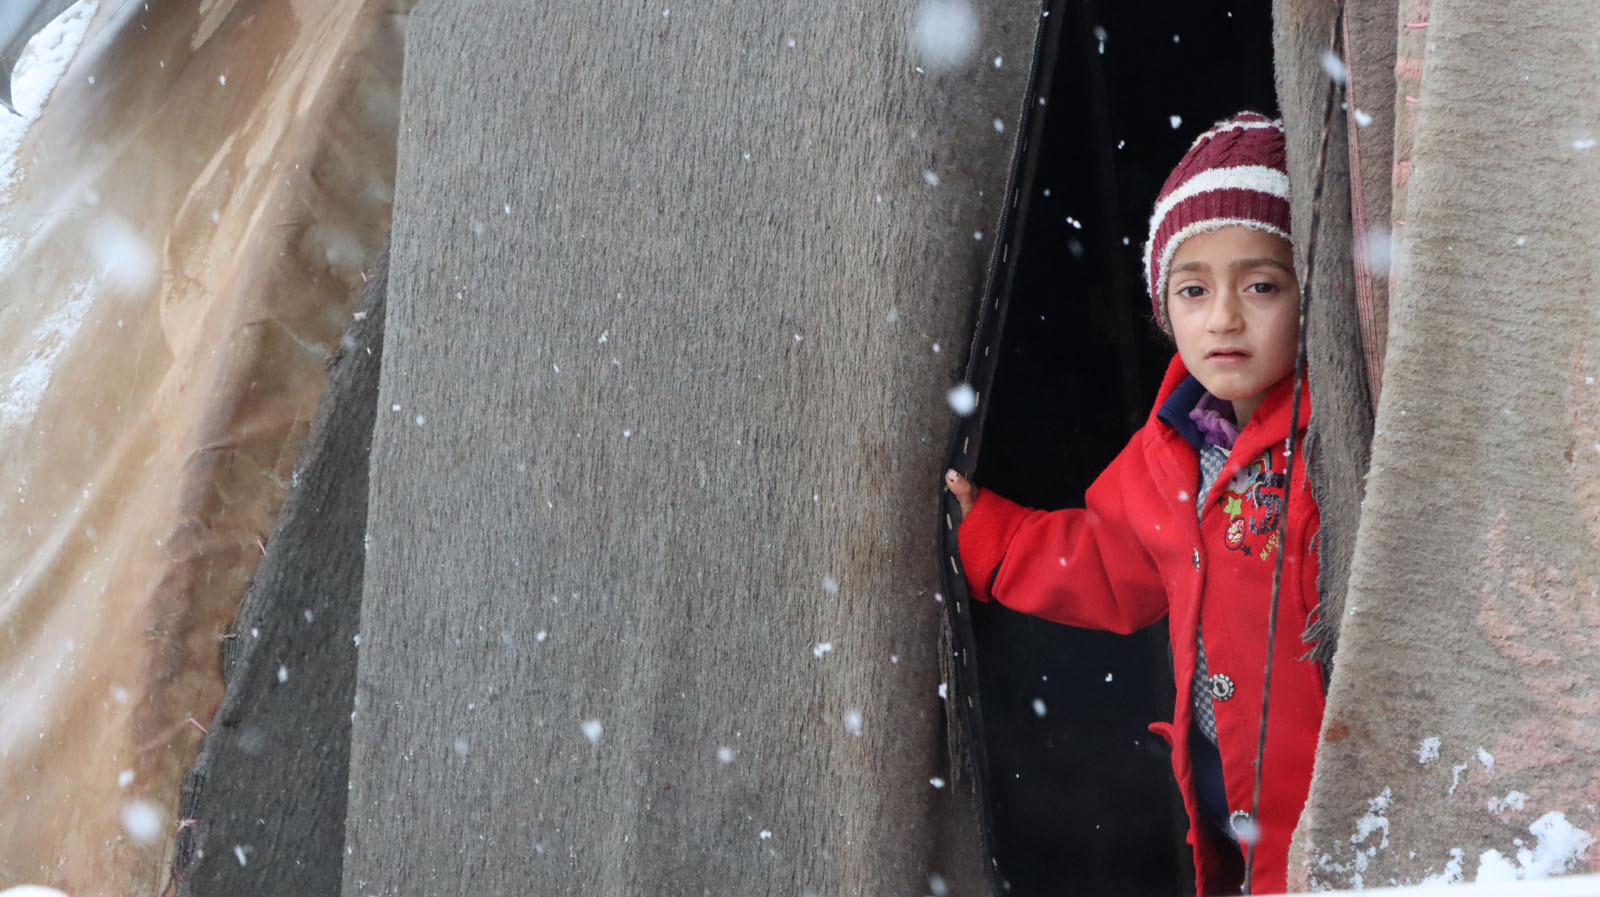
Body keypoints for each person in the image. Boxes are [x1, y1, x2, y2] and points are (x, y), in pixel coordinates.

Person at [944, 111, 1324, 896]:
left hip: (1319, 789)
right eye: (1194, 288)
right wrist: (993, 540)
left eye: (1261, 284)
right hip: (1223, 790)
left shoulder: (1328, 442)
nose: (1223, 316)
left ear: (1309, 293)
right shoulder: (1170, 446)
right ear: (1164, 308)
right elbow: (1109, 559)